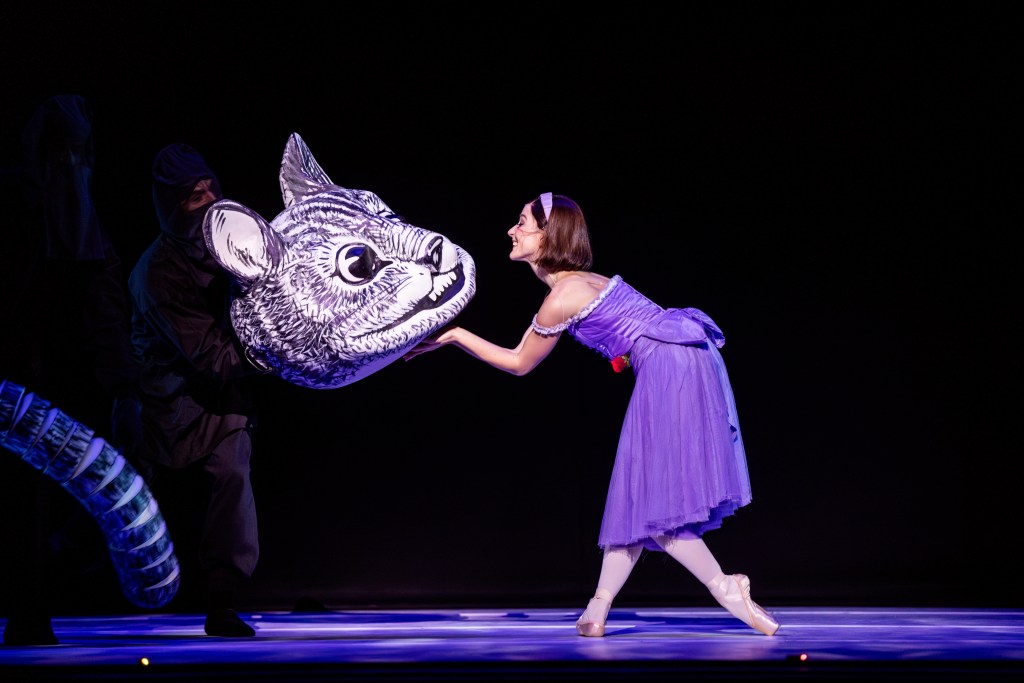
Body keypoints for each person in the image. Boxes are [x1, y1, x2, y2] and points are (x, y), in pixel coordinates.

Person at [404, 192, 780, 637]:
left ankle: (727, 587)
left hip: (669, 366)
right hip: (683, 356)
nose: (512, 230)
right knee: (637, 494)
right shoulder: (581, 283)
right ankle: (596, 611)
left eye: (522, 222)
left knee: (657, 504)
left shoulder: (562, 297)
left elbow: (520, 362)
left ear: (548, 235)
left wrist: (455, 336)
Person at [0, 94, 143, 645]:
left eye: (78, 156)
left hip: (58, 387)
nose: (69, 167)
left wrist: (125, 391)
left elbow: (105, 311)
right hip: (15, 384)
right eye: (59, 154)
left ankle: (35, 604)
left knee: (62, 498)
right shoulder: (14, 209)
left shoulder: (84, 225)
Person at [127, 143, 263, 637]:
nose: (207, 202)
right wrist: (276, 352)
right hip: (166, 401)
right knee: (135, 503)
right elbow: (210, 355)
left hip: (221, 397)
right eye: (193, 196)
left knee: (232, 473)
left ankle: (222, 602)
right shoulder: (157, 273)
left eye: (211, 190)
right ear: (172, 205)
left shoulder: (234, 241)